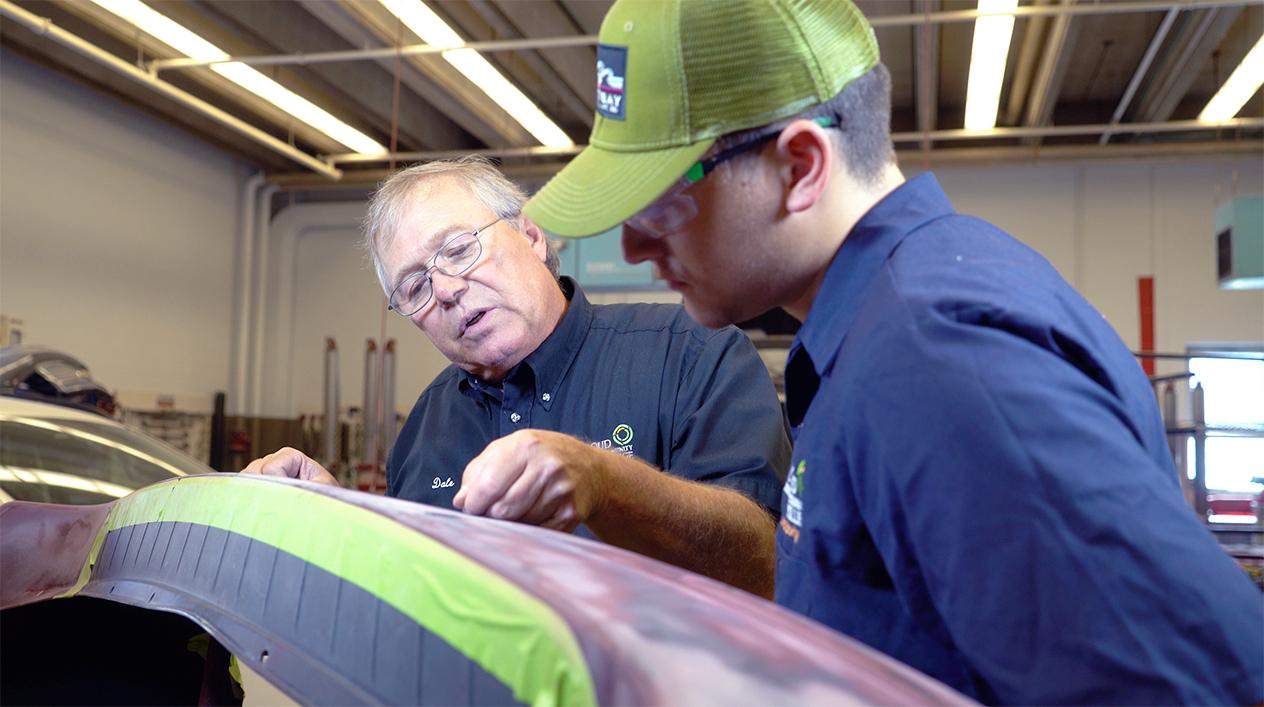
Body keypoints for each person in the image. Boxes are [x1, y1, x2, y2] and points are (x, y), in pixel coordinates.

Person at [522, 0, 1264, 703]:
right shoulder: (882, 324)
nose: (631, 243)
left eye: (660, 199)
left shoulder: (936, 361)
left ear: (801, 167)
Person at [243, 157, 789, 598]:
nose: (447, 290)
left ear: (531, 236)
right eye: (414, 288)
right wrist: (346, 524)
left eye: (458, 249)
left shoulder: (693, 354)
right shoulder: (425, 428)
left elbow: (764, 566)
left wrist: (607, 482)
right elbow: (415, 597)